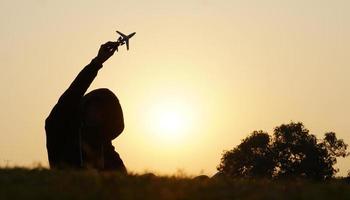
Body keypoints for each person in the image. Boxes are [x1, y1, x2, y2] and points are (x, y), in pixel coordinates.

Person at [45, 41, 126, 173]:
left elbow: (124, 185)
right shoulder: (61, 131)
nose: (98, 115)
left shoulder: (107, 152)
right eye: (94, 109)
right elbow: (73, 93)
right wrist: (96, 63)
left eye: (103, 112)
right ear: (84, 108)